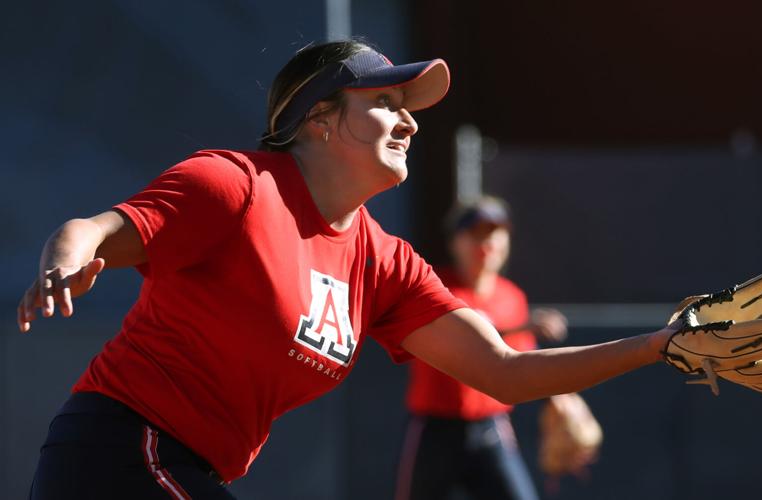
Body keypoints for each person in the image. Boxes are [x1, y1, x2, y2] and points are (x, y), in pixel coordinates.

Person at [16, 39, 677, 499]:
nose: (410, 122)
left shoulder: (383, 261)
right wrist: (66, 260)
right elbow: (94, 229)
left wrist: (659, 346)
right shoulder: (237, 185)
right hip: (122, 454)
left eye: (408, 106)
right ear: (321, 119)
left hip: (190, 469)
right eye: (387, 101)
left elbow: (501, 372)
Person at [395, 196, 571, 500]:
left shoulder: (512, 297)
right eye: (476, 232)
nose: (486, 241)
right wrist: (522, 327)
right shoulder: (435, 285)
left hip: (490, 428)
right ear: (455, 242)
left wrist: (563, 400)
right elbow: (465, 337)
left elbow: (523, 361)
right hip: (436, 428)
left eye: (495, 232)